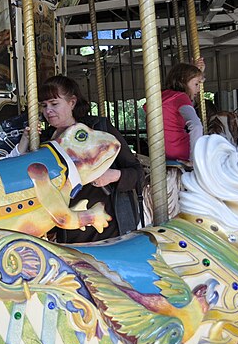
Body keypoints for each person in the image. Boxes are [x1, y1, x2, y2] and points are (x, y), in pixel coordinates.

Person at [17, 75, 144, 243]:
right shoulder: (43, 141)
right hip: (66, 227)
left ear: (72, 102)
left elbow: (137, 171)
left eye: (54, 104)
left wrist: (112, 176)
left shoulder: (98, 129)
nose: (48, 111)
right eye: (44, 105)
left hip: (106, 223)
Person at [161, 60, 205, 163]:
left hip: (161, 152)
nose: (198, 89)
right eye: (196, 84)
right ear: (183, 81)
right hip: (181, 152)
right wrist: (195, 159)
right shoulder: (181, 98)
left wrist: (195, 72)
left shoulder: (162, 97)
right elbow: (196, 126)